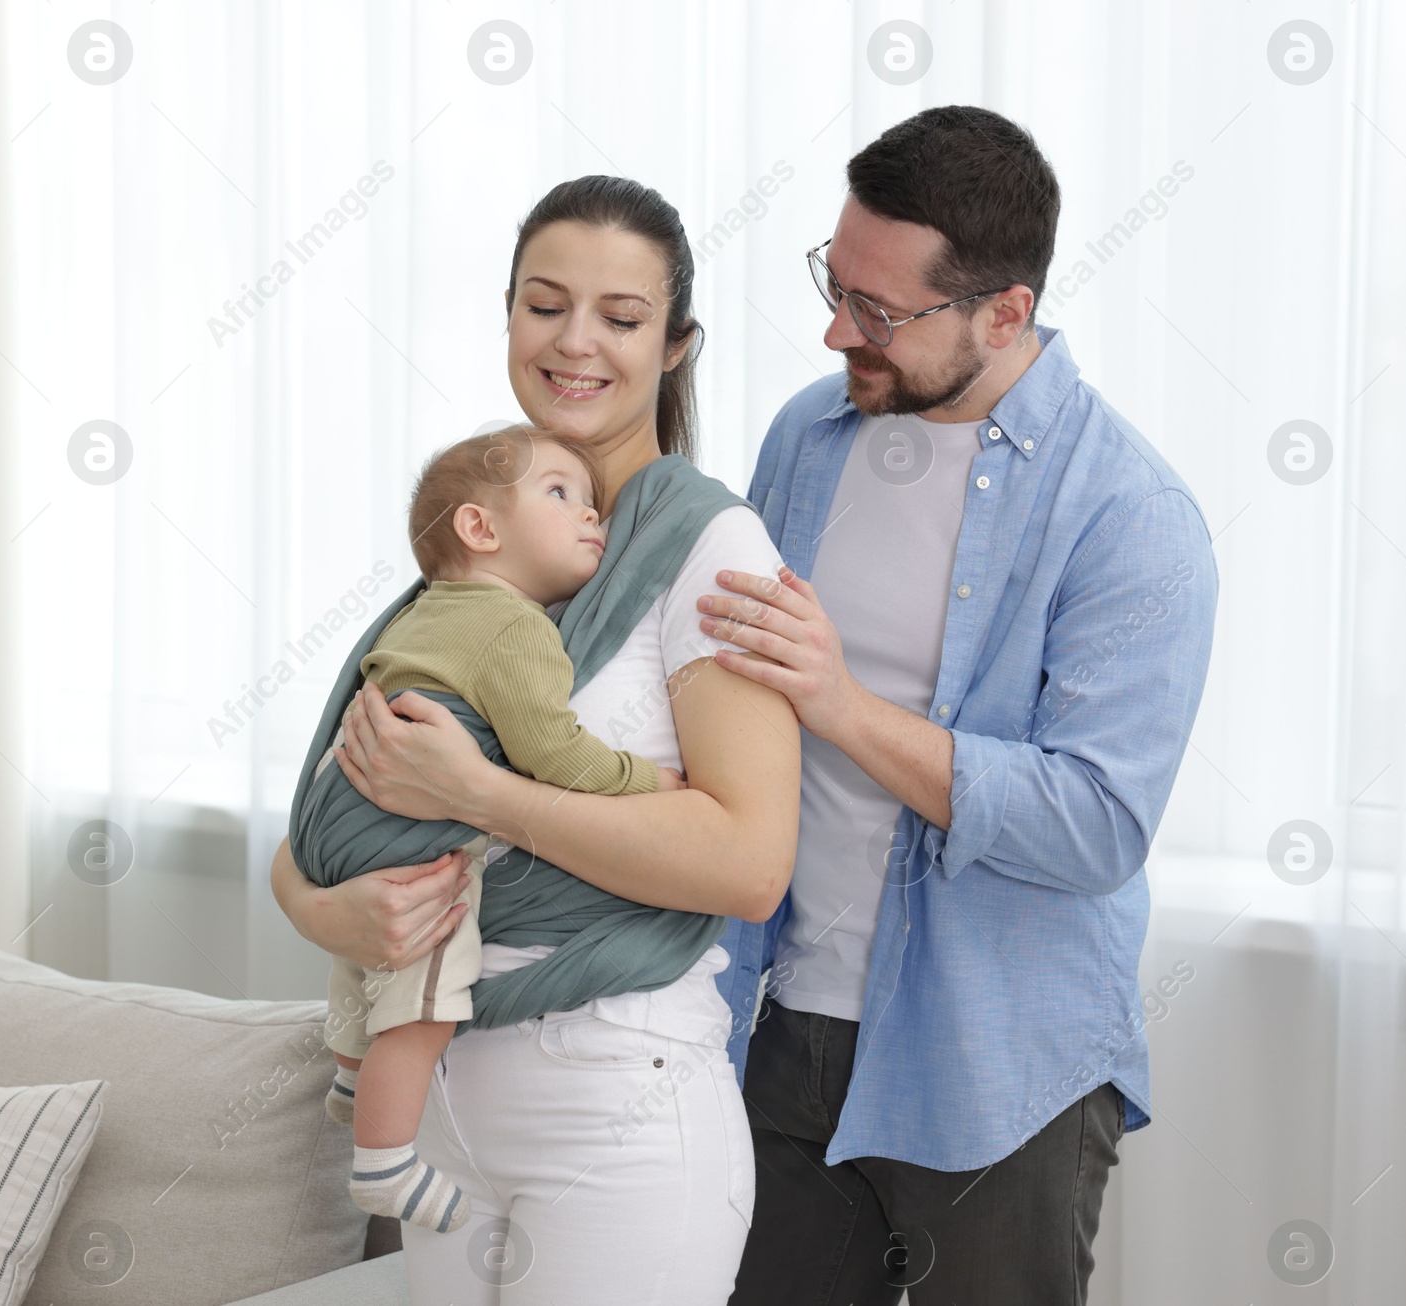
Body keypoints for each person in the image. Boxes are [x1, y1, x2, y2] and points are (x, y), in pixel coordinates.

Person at [697, 106, 1219, 1304]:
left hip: (996, 1072)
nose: (838, 330)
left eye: (878, 313)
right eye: (836, 285)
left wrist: (840, 702)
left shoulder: (1132, 517)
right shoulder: (809, 435)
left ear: (1005, 313)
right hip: (782, 1030)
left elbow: (1094, 825)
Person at [270, 176, 800, 1306]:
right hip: (449, 1102)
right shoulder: (474, 560)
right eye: (543, 304)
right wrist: (326, 911)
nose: (574, 342)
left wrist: (480, 792)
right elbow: (335, 810)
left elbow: (751, 864)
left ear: (674, 345)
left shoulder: (713, 548)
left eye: (620, 317)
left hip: (615, 1102)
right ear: (506, 313)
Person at [300, 426, 687, 1236]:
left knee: (368, 939)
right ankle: (383, 1164)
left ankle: (347, 1074)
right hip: (400, 826)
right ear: (481, 530)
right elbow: (556, 755)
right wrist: (648, 777)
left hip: (335, 809)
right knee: (430, 986)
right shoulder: (517, 629)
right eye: (560, 495)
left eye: (592, 501)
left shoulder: (422, 613)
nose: (592, 518)